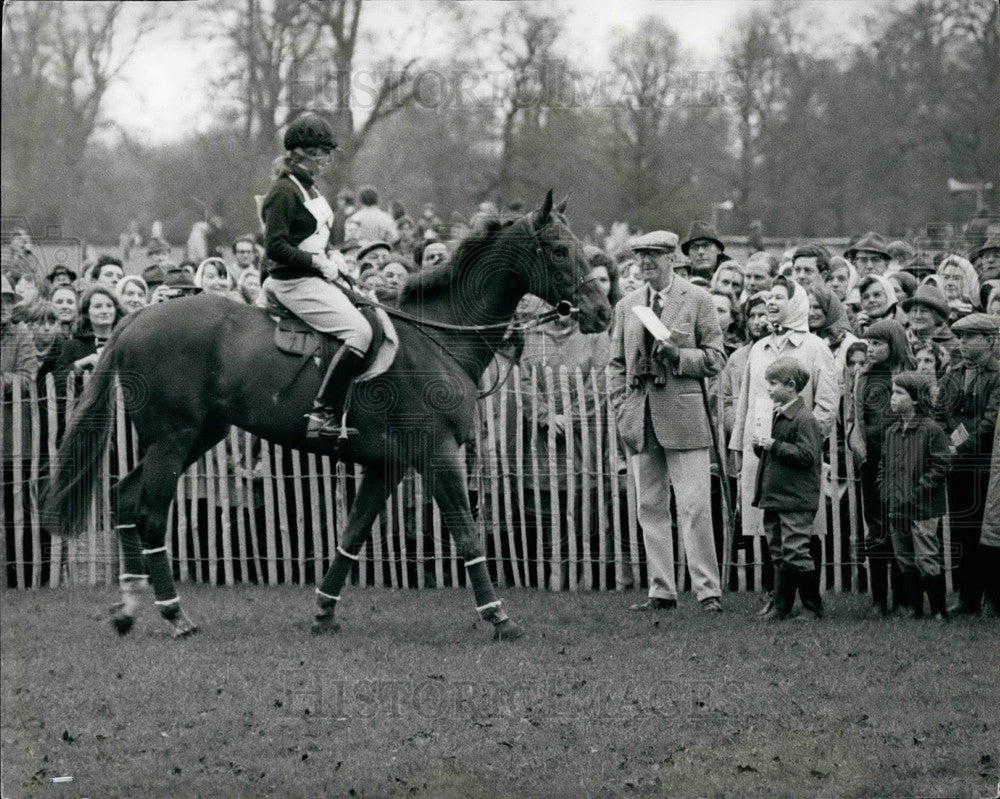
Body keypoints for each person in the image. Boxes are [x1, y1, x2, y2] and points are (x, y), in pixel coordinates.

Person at [608, 230, 726, 613]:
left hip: (685, 416)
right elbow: (616, 365)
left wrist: (679, 356)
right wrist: (622, 405)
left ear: (673, 258)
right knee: (650, 506)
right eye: (640, 256)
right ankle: (662, 590)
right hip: (641, 419)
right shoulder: (627, 306)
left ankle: (707, 591)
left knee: (694, 507)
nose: (646, 263)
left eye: (654, 256)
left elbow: (716, 358)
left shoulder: (697, 300)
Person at [258, 112, 373, 443]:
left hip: (314, 276)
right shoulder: (283, 191)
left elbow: (317, 237)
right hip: (293, 281)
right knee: (359, 333)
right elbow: (275, 246)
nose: (326, 159)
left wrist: (333, 255)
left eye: (327, 152)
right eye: (321, 152)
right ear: (301, 153)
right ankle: (323, 412)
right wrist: (316, 262)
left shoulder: (310, 190)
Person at [730, 277, 840, 612]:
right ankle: (776, 600)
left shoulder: (814, 347)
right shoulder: (759, 348)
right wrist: (740, 446)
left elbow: (827, 404)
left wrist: (807, 442)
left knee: (799, 533)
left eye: (780, 297)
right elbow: (745, 402)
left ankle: (807, 602)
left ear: (797, 302)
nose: (773, 302)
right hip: (762, 453)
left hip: (795, 456)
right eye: (770, 297)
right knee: (770, 529)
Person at [934, 313, 999, 616]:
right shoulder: (952, 374)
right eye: (959, 336)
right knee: (961, 529)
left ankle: (992, 599)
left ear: (989, 340)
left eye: (969, 337)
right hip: (957, 465)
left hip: (987, 465)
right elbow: (939, 413)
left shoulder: (997, 375)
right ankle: (967, 597)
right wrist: (945, 444)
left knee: (988, 533)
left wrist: (958, 446)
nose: (961, 343)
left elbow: (990, 423)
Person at [849, 319, 914, 617]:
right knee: (875, 527)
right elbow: (856, 419)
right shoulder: (864, 378)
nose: (871, 349)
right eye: (869, 343)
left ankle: (903, 598)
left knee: (900, 527)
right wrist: (857, 443)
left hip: (901, 463)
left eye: (878, 344)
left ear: (894, 344)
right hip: (872, 462)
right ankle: (878, 599)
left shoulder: (908, 377)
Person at [751, 357, 825, 620]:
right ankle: (781, 607)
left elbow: (807, 456)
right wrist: (759, 443)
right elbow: (766, 454)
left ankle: (812, 608)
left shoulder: (805, 419)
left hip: (795, 498)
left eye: (773, 384)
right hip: (775, 496)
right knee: (779, 551)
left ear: (791, 385)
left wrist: (774, 445)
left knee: (796, 550)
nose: (769, 389)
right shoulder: (776, 413)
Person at [878, 371, 951, 621]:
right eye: (892, 392)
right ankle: (914, 609)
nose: (893, 397)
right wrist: (885, 490)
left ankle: (939, 611)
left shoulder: (931, 430)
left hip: (924, 508)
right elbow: (883, 466)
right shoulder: (891, 432)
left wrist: (916, 492)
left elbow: (940, 466)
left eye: (899, 393)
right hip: (897, 507)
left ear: (917, 399)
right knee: (904, 558)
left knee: (926, 557)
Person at [901, 284, 960, 371]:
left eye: (924, 311)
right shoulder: (901, 340)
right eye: (914, 310)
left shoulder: (953, 345)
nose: (917, 316)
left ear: (937, 316)